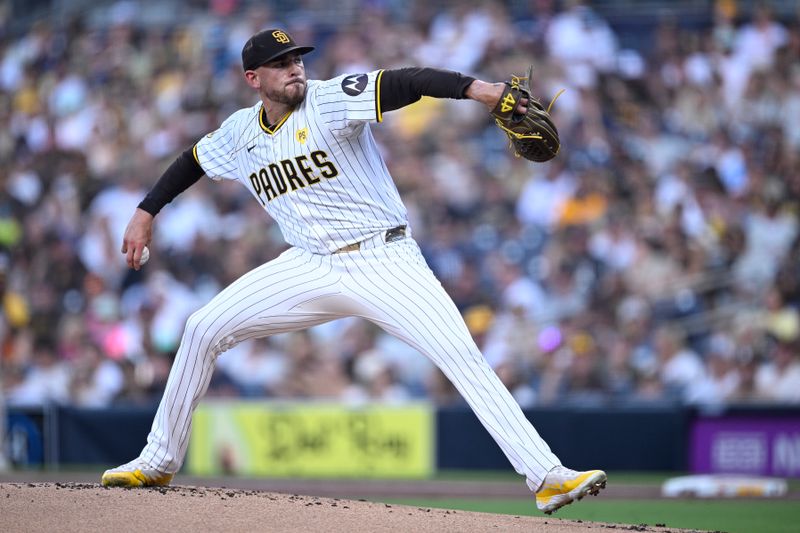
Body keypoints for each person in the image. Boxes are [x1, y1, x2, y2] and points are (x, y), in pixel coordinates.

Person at [100, 28, 606, 514]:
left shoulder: (329, 98)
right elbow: (192, 160)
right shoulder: (240, 132)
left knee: (459, 354)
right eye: (280, 64)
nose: (294, 68)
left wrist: (478, 90)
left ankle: (546, 477)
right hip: (307, 264)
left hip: (383, 259)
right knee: (201, 328)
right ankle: (158, 461)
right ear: (253, 78)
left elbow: (406, 82)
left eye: (297, 58)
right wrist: (146, 212)